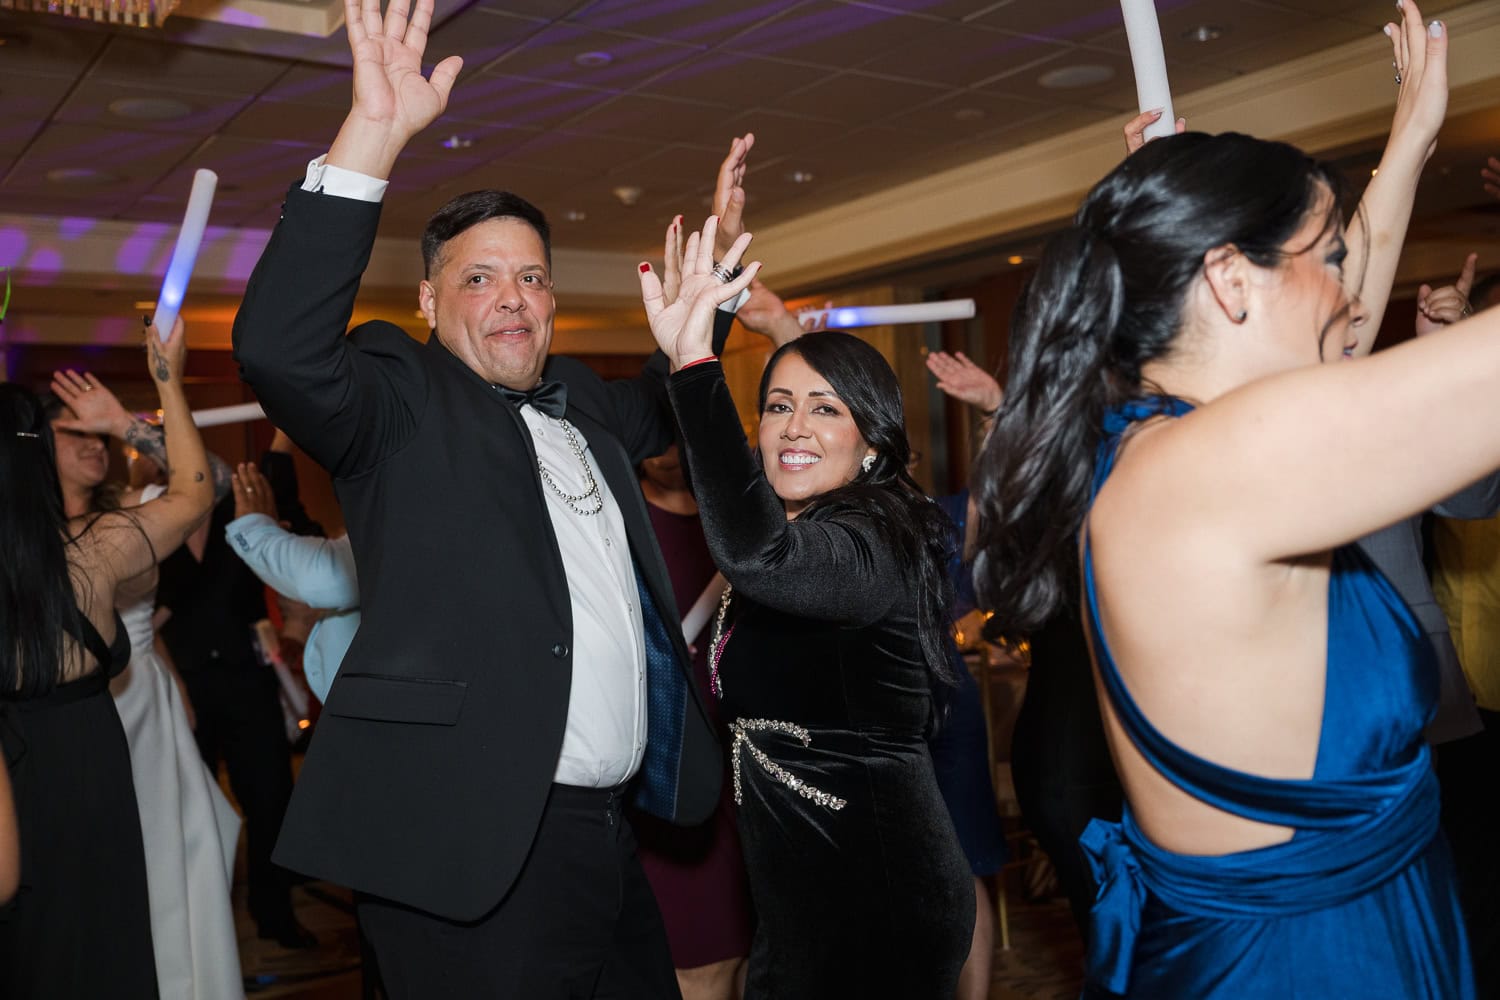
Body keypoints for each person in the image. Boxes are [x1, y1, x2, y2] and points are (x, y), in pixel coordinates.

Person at [230, 0, 770, 992]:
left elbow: (670, 394)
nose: (513, 296)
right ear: (431, 303)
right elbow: (277, 348)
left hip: (610, 840)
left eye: (531, 276)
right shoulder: (400, 401)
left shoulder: (590, 413)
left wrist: (716, 295)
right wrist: (373, 138)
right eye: (480, 279)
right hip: (470, 847)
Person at [970, 4, 1476, 996]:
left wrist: (1411, 136)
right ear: (1230, 283)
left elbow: (1333, 320)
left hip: (1341, 927)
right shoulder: (1209, 471)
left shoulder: (1165, 448)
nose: (1356, 294)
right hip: (1309, 965)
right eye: (1328, 261)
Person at [637, 219, 975, 998]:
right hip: (801, 891)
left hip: (876, 892)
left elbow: (758, 557)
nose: (792, 427)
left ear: (872, 445)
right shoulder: (813, 531)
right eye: (780, 404)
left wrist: (695, 367)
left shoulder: (870, 538)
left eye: (824, 410)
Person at [0, 318, 214, 998]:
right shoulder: (92, 555)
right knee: (106, 947)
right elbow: (194, 490)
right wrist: (161, 387)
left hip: (19, 791)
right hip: (93, 786)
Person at [45, 368, 244, 997]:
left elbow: (208, 482)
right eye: (71, 432)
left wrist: (125, 424)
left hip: (143, 707)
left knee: (166, 855)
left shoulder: (129, 513)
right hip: (63, 718)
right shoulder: (25, 533)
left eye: (95, 434)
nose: (91, 445)